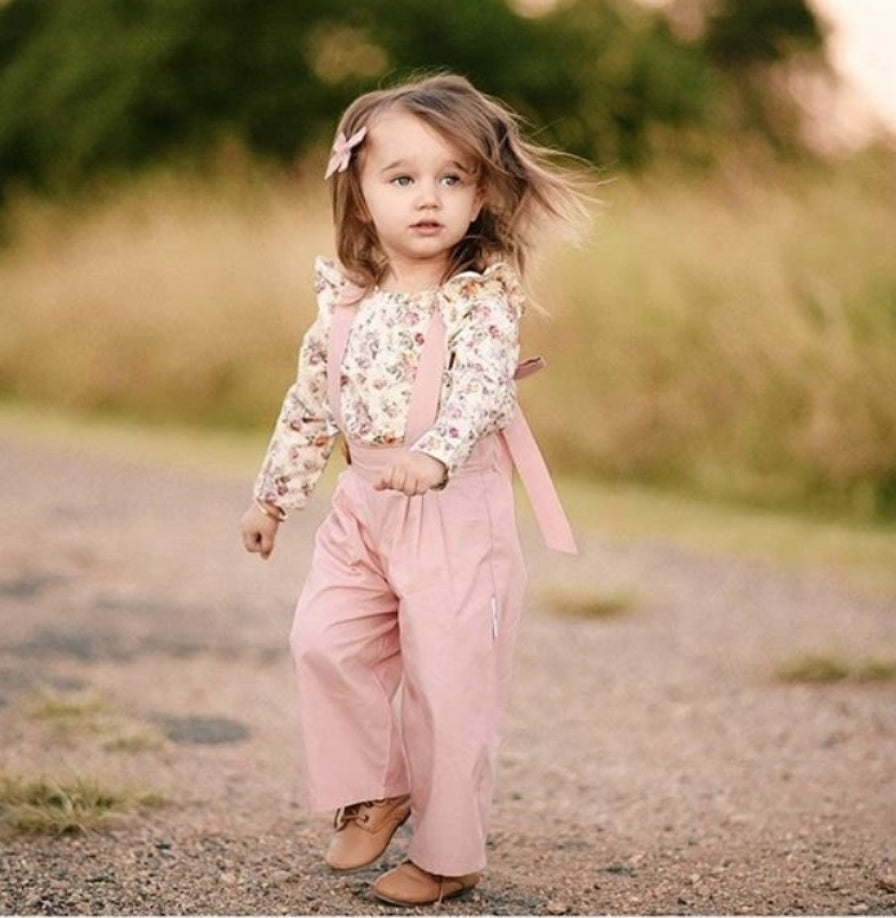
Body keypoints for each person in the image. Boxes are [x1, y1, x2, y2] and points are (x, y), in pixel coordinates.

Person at [240, 72, 587, 907]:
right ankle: (379, 786)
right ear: (361, 198)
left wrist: (435, 454)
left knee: (450, 684)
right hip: (364, 508)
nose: (427, 197)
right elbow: (309, 408)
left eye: (452, 178)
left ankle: (448, 853)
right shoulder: (346, 306)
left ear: (480, 196)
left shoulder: (481, 298)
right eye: (401, 178)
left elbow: (482, 389)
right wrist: (273, 497)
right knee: (324, 642)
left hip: (452, 509)